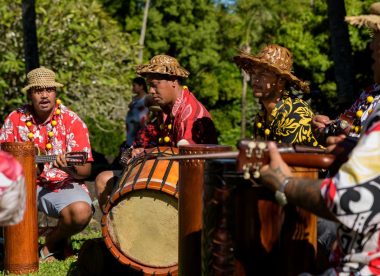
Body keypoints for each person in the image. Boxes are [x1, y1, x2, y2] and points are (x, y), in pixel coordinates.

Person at [95, 54, 218, 209]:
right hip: (169, 177)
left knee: (106, 179)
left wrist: (148, 153)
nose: (151, 91)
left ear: (173, 81)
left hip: (188, 187)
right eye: (149, 86)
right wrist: (142, 151)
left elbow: (188, 163)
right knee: (103, 179)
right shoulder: (168, 110)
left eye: (155, 85)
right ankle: (113, 232)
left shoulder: (190, 113)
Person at [0, 67, 94, 261]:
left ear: (55, 92)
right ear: (29, 94)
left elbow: (85, 170)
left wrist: (66, 166)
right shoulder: (15, 119)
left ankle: (52, 242)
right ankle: (13, 243)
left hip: (59, 185)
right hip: (21, 185)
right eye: (38, 90)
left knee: (82, 212)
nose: (44, 95)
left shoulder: (71, 121)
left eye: (49, 90)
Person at [312, 2, 380, 145]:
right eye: (373, 38)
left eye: (377, 41)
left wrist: (343, 139)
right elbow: (348, 123)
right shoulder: (371, 92)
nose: (371, 46)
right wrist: (330, 127)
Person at [234, 44, 320, 147]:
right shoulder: (261, 117)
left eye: (263, 74)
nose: (255, 79)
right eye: (253, 73)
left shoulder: (296, 113)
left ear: (280, 81)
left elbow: (285, 158)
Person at [125, 77, 149, 147]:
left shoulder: (147, 98)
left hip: (141, 127)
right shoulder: (134, 98)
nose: (133, 88)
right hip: (131, 128)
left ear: (141, 86)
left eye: (134, 85)